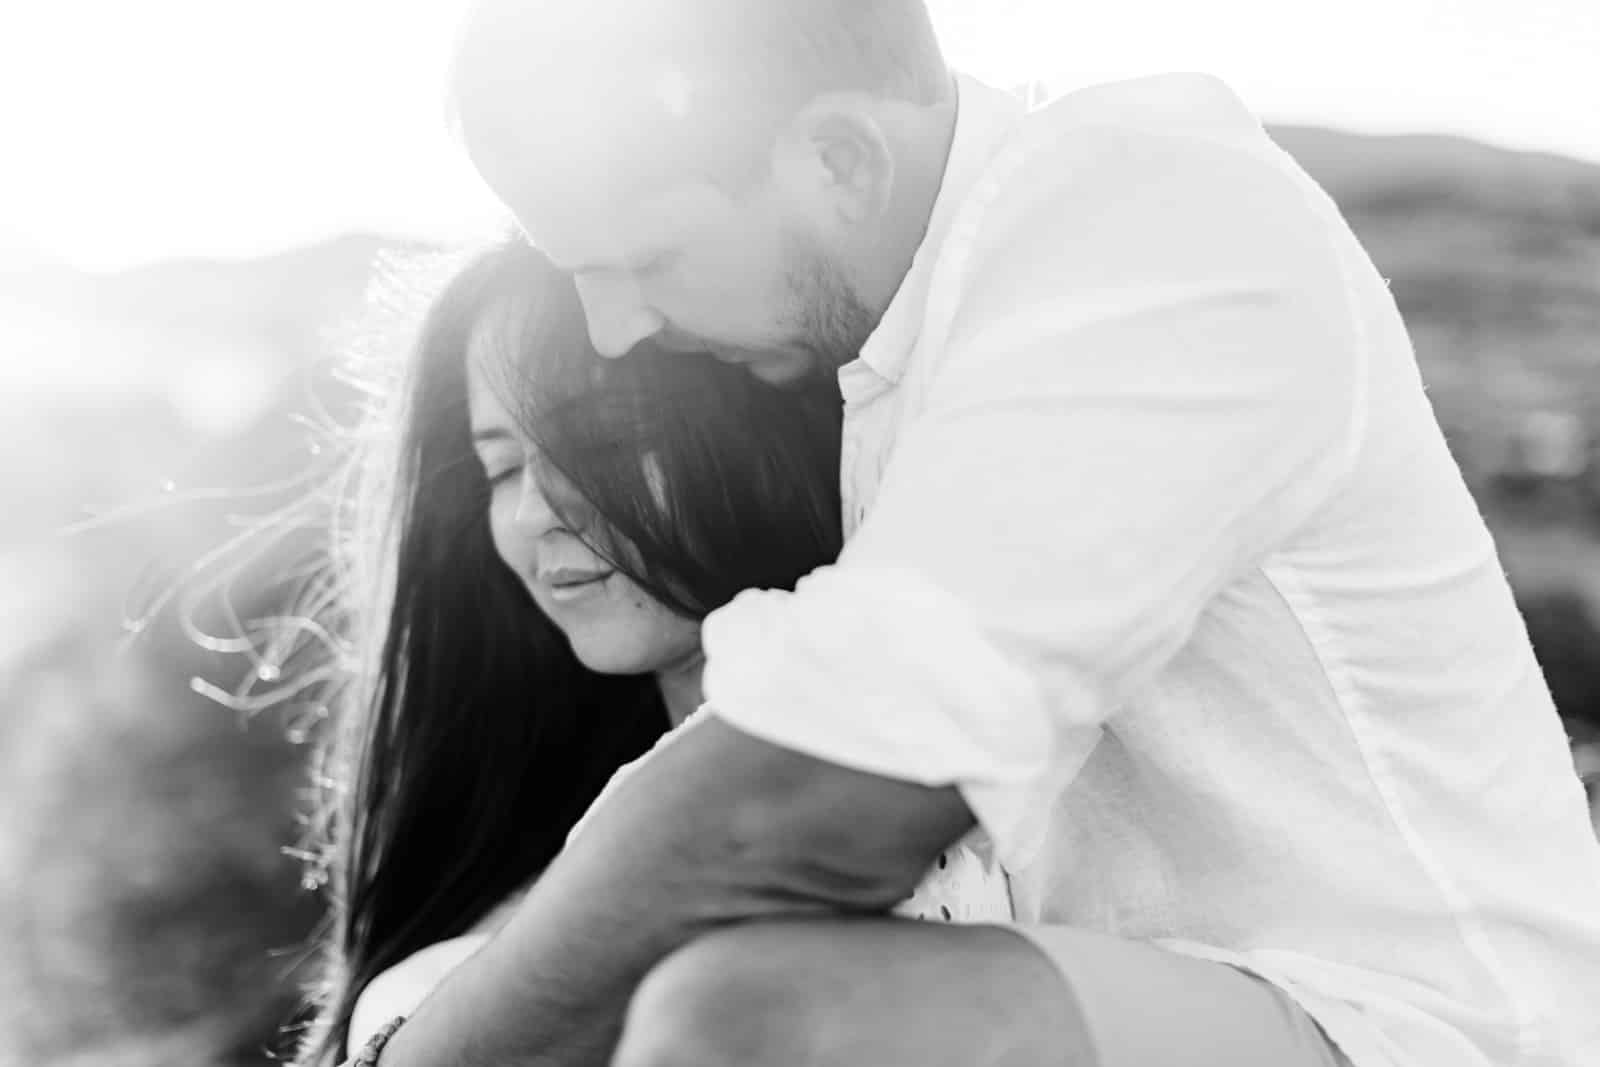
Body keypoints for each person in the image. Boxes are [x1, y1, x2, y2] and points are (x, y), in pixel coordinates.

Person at [365, 3, 1600, 1066]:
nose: (616, 326)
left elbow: (806, 796)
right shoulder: (891, 355)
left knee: (761, 1023)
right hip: (1143, 1001)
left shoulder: (1149, 225)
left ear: (840, 160)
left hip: (1417, 1031)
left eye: (651, 254)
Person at [293, 240, 1010, 1066]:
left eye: (601, 442)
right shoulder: (450, 983)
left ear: (763, 420)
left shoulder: (1004, 769)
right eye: (499, 468)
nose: (535, 512)